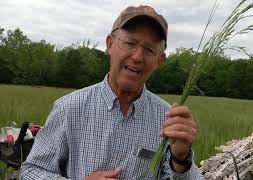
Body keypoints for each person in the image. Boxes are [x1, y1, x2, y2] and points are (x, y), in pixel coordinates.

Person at [20, 5, 203, 180]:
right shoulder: (69, 108)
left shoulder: (168, 120)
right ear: (110, 44)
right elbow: (31, 171)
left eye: (149, 50)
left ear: (159, 60)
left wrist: (180, 160)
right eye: (130, 43)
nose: (137, 57)